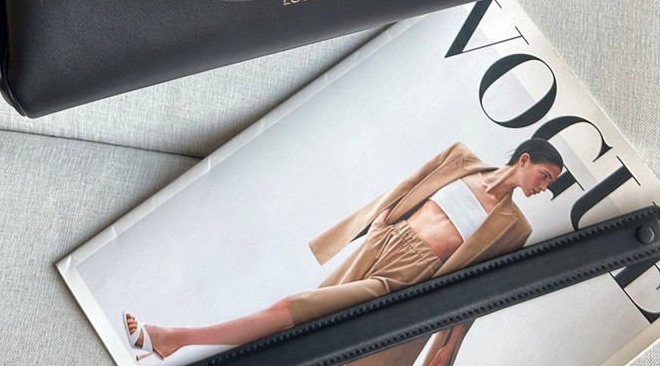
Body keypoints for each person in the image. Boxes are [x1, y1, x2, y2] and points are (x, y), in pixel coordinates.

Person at [122, 137, 563, 364]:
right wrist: (380, 224)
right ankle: (174, 342)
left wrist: (451, 343)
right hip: (382, 245)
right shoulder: (461, 157)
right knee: (306, 335)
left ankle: (177, 338)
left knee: (294, 311)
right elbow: (409, 187)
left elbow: (478, 290)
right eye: (544, 176)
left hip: (407, 282)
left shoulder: (515, 227)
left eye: (549, 184)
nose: (543, 187)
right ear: (524, 159)